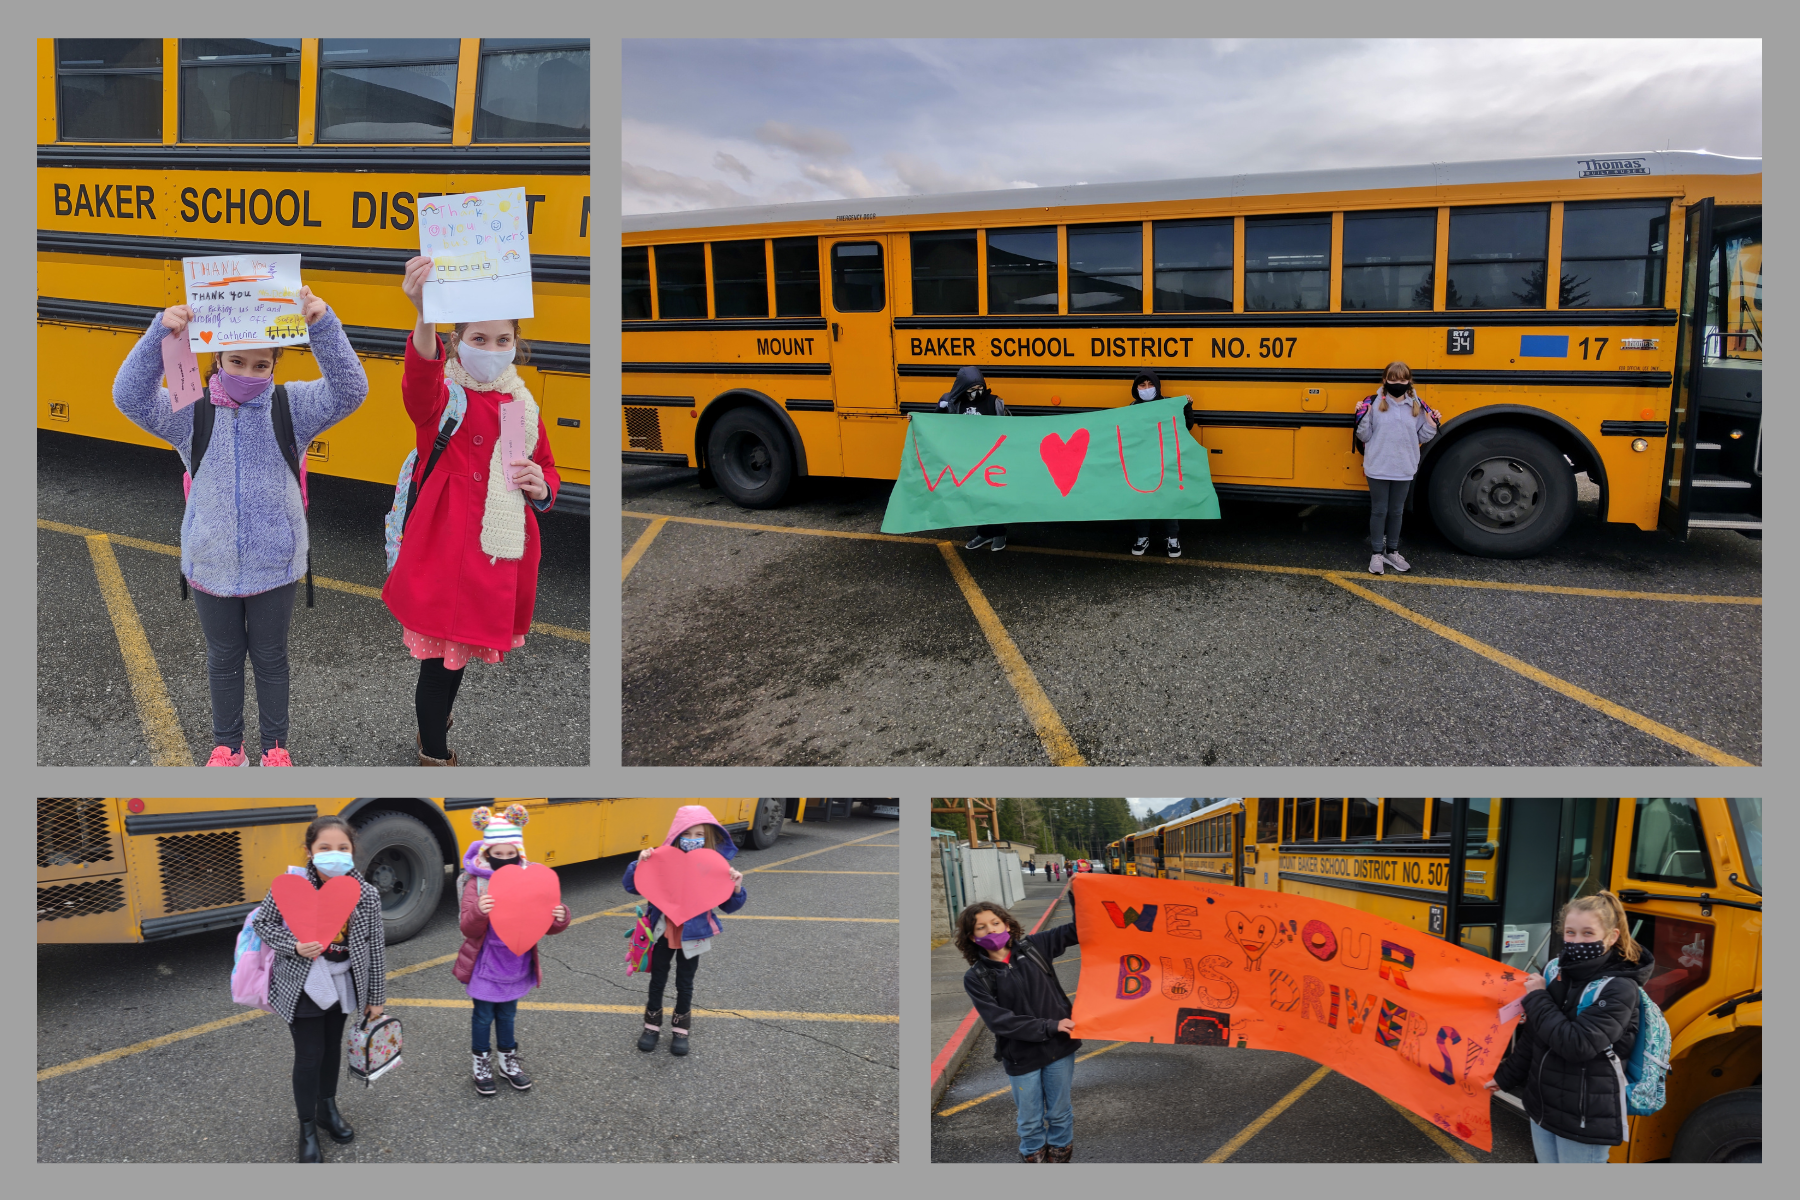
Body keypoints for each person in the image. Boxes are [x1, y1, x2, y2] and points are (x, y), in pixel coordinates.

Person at [113, 289, 368, 765]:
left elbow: (351, 390)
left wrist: (323, 326)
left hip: (274, 563)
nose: (247, 374)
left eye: (260, 365)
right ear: (217, 359)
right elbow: (128, 395)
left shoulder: (292, 406)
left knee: (271, 660)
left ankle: (275, 749)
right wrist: (158, 336)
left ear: (275, 365)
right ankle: (228, 747)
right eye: (236, 362)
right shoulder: (190, 411)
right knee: (223, 661)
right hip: (210, 561)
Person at [385, 256, 561, 765]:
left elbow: (547, 469)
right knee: (438, 665)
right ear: (458, 340)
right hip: (443, 556)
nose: (492, 349)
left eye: (502, 340)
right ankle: (434, 756)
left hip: (490, 557)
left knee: (452, 664)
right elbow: (418, 379)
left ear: (516, 344)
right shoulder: (444, 397)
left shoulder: (519, 405)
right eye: (479, 339)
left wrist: (540, 485)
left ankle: (434, 729)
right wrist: (424, 314)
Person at [251, 815, 386, 1162]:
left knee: (331, 1049)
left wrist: (376, 998)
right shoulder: (290, 886)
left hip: (344, 984)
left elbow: (375, 948)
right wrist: (293, 946)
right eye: (324, 848)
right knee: (310, 1055)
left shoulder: (366, 894)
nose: (334, 854)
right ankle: (307, 1126)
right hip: (303, 985)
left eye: (342, 848)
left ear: (352, 851)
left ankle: (327, 1109)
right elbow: (263, 923)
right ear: (310, 851)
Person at [1488, 890, 1655, 1163]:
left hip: (1584, 1116)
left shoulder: (1619, 987)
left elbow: (1578, 1045)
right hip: (1542, 1106)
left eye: (1588, 933)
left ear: (1612, 937)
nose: (1577, 941)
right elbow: (1536, 1035)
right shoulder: (1556, 971)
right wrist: (1504, 1077)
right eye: (1570, 932)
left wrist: (1538, 998)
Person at [453, 805, 571, 1095]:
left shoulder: (530, 881)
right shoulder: (476, 884)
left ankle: (508, 1061)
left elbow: (547, 926)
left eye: (510, 854)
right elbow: (467, 928)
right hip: (485, 965)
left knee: (507, 1015)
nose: (504, 860)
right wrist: (480, 911)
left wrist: (560, 916)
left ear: (519, 853)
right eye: (498, 854)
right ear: (487, 853)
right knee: (483, 1016)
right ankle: (481, 1063)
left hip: (515, 964)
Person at [958, 901, 1081, 1163]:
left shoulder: (1036, 947)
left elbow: (1080, 929)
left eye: (995, 923)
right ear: (972, 936)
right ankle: (1033, 1154)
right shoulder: (976, 976)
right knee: (1029, 1118)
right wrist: (1050, 1025)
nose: (990, 931)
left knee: (1059, 1112)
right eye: (981, 928)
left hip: (1059, 1048)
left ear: (1007, 924)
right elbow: (1000, 1021)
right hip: (1021, 1055)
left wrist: (1076, 893)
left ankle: (1060, 1152)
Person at [622, 805, 748, 1056]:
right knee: (657, 979)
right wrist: (640, 863)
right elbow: (631, 886)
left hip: (694, 935)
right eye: (687, 834)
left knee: (685, 983)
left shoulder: (714, 865)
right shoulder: (662, 859)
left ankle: (681, 1029)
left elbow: (730, 905)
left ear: (708, 836)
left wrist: (736, 887)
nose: (692, 839)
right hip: (661, 933)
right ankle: (651, 1026)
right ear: (677, 836)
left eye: (698, 834)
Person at [1353, 361, 1439, 575]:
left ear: (1408, 381)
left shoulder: (1416, 407)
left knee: (1397, 511)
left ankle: (1392, 552)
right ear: (1385, 381)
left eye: (1402, 379)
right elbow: (1364, 436)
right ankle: (1376, 554)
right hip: (1378, 466)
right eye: (1393, 379)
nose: (1397, 383)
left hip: (1404, 467)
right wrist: (1361, 417)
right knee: (1379, 510)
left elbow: (1420, 438)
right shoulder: (1372, 404)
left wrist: (1431, 424)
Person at [937, 365, 1012, 551]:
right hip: (968, 461)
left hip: (991, 460)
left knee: (993, 498)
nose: (976, 393)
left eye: (979, 388)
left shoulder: (994, 402)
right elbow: (936, 424)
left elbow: (1010, 426)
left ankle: (999, 533)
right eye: (971, 389)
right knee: (975, 499)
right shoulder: (955, 403)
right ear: (962, 388)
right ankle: (984, 533)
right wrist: (915, 418)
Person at [1125, 370, 1197, 558]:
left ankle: (1172, 538)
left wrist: (1186, 406)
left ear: (1157, 386)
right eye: (1142, 385)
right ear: (1136, 388)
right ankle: (1142, 537)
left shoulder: (1169, 405)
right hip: (1141, 465)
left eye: (1150, 384)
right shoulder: (1131, 409)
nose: (1147, 389)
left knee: (1168, 500)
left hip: (1165, 462)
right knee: (1141, 501)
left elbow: (1186, 426)